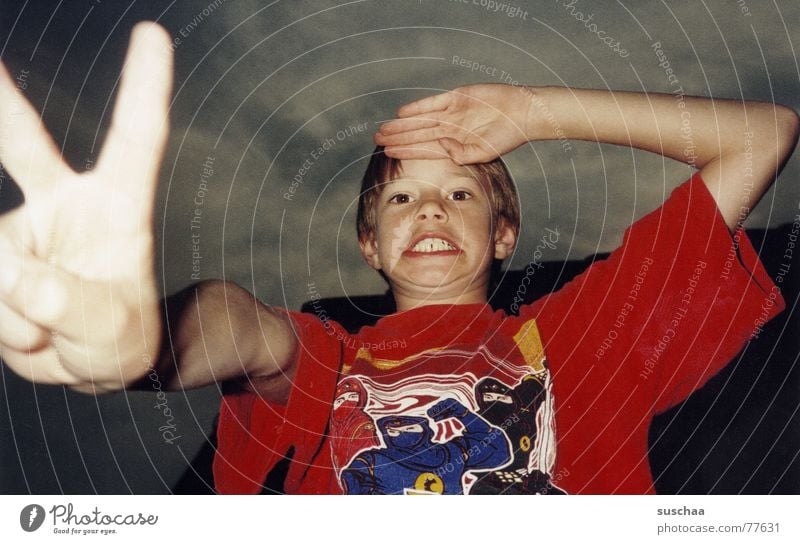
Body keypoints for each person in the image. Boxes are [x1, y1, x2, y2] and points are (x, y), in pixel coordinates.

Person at [0, 22, 797, 494]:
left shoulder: (580, 334)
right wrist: (150, 343)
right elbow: (243, 331)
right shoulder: (331, 359)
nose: (431, 210)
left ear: (504, 235)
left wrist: (537, 109)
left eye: (461, 195)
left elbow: (763, 135)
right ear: (369, 244)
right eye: (401, 199)